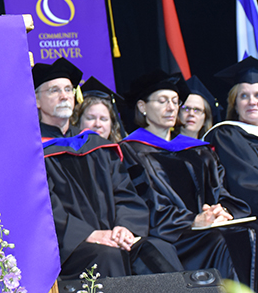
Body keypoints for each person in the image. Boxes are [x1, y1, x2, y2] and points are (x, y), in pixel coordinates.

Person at [121, 72, 258, 293]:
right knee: (223, 242)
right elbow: (145, 203)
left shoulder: (199, 150)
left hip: (210, 227)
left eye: (175, 101)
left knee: (256, 235)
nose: (171, 108)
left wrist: (222, 211)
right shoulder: (129, 151)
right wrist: (194, 220)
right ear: (142, 107)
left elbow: (220, 190)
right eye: (162, 101)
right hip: (175, 234)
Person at [35, 59, 182, 281]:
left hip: (112, 237)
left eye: (68, 89)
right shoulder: (33, 151)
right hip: (69, 247)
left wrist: (124, 227)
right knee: (108, 256)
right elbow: (43, 206)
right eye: (54, 90)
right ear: (36, 99)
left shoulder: (97, 145)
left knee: (158, 249)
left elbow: (125, 193)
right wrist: (88, 235)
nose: (64, 96)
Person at [203, 58, 258, 247]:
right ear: (235, 103)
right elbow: (248, 185)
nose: (252, 102)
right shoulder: (227, 134)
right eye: (244, 96)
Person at [70, 76, 126, 143]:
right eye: (90, 118)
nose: (97, 124)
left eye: (103, 119)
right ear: (78, 121)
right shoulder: (67, 151)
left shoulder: (122, 152)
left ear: (112, 124)